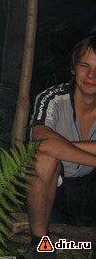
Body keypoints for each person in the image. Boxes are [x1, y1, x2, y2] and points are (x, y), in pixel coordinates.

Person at [26, 34, 96, 257]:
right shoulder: (53, 98)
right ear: (74, 68)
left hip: (90, 189)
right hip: (55, 190)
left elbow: (51, 143)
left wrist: (62, 147)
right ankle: (40, 245)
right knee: (43, 157)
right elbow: (42, 140)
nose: (92, 75)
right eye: (85, 66)